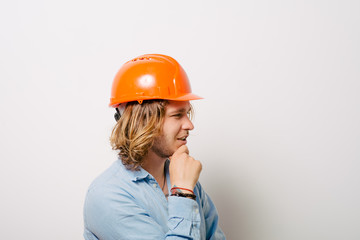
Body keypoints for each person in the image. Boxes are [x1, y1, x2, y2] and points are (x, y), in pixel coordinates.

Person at [83, 54, 226, 240]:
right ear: (143, 123)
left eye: (188, 113)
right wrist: (182, 195)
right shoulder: (108, 196)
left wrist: (185, 189)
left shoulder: (184, 179)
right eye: (177, 115)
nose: (190, 125)